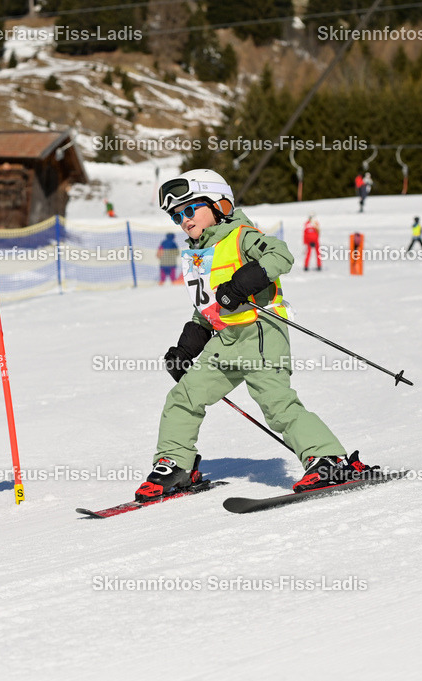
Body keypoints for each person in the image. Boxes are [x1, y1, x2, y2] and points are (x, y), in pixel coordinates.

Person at [135, 168, 375, 502]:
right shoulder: (199, 255)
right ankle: (174, 464)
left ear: (219, 204)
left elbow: (281, 255)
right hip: (225, 341)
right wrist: (185, 349)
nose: (184, 220)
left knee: (276, 404)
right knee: (183, 398)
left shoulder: (241, 235)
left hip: (261, 334)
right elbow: (207, 307)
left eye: (190, 210)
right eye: (177, 215)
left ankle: (327, 460)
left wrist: (241, 284)